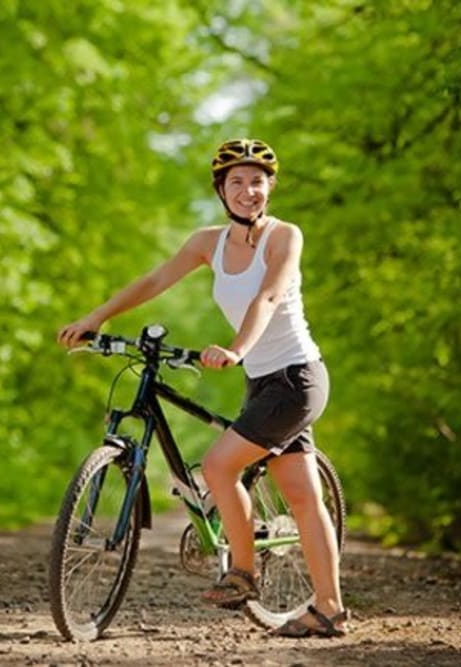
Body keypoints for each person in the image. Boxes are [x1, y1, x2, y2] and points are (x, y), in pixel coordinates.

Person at [56, 138, 349, 638]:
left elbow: (270, 295)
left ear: (270, 187)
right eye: (236, 181)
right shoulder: (206, 243)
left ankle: (242, 572)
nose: (248, 190)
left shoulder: (285, 236)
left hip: (296, 378)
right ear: (221, 189)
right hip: (262, 382)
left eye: (257, 181)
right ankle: (330, 609)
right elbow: (154, 281)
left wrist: (236, 348)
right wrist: (96, 317)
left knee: (217, 466)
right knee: (301, 495)